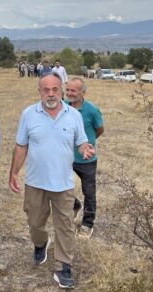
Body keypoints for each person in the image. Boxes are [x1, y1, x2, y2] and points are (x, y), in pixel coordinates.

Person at [9, 73, 94, 289]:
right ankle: (40, 243)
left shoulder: (73, 115)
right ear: (39, 92)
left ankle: (63, 266)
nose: (50, 94)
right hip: (35, 182)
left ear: (61, 91)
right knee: (35, 222)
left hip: (63, 184)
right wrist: (13, 173)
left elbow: (81, 141)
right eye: (46, 90)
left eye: (55, 89)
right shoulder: (28, 114)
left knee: (64, 225)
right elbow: (21, 146)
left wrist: (85, 149)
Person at [65, 78, 104, 238]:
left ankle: (87, 224)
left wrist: (88, 143)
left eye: (73, 91)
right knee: (61, 186)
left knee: (89, 191)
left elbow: (99, 129)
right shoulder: (63, 106)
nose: (69, 94)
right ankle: (75, 205)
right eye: (67, 90)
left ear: (83, 93)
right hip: (66, 157)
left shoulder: (91, 110)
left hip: (87, 160)